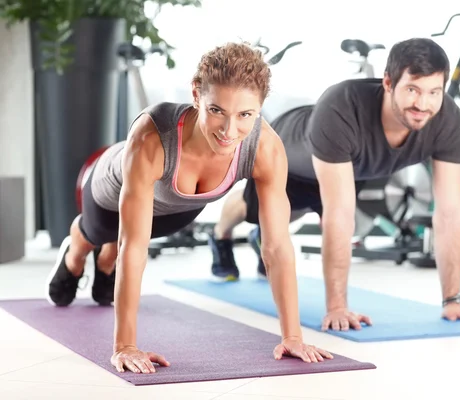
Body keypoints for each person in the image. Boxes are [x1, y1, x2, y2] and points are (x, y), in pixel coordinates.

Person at [45, 42, 333, 374]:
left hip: (178, 208)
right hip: (109, 192)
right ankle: (76, 254)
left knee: (118, 253)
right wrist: (125, 345)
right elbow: (134, 246)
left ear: (260, 107)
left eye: (245, 115)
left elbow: (276, 245)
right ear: (196, 94)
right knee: (100, 235)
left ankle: (105, 263)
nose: (229, 131)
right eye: (217, 111)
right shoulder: (153, 136)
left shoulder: (265, 147)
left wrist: (293, 336)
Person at [209, 38, 460, 332]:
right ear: (388, 82)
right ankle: (220, 235)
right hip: (291, 154)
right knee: (253, 209)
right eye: (412, 90)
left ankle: (265, 232)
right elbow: (339, 213)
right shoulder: (343, 107)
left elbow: (451, 211)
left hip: (348, 166)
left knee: (294, 214)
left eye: (433, 92)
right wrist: (337, 307)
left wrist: (453, 299)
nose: (423, 104)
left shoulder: (446, 120)